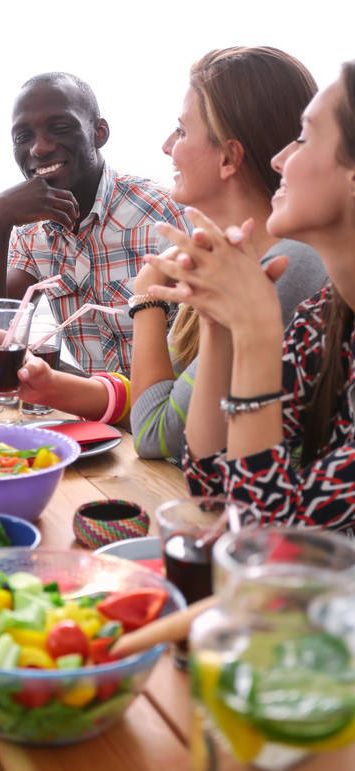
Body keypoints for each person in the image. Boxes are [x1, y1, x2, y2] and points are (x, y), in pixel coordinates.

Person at [3, 49, 326, 450]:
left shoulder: (280, 267)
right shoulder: (232, 257)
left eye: (182, 130)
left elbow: (158, 434)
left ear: (229, 157)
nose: (167, 146)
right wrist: (51, 386)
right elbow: (164, 396)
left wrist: (146, 298)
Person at [144, 60, 355, 532]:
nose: (279, 158)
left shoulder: (299, 283)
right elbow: (214, 487)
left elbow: (264, 537)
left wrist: (255, 332)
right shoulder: (325, 318)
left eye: (304, 137)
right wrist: (218, 321)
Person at [0, 71, 189, 376]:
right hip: (93, 417)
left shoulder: (163, 214)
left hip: (167, 417)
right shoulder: (30, 232)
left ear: (100, 133)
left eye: (60, 127)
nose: (39, 148)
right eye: (23, 137)